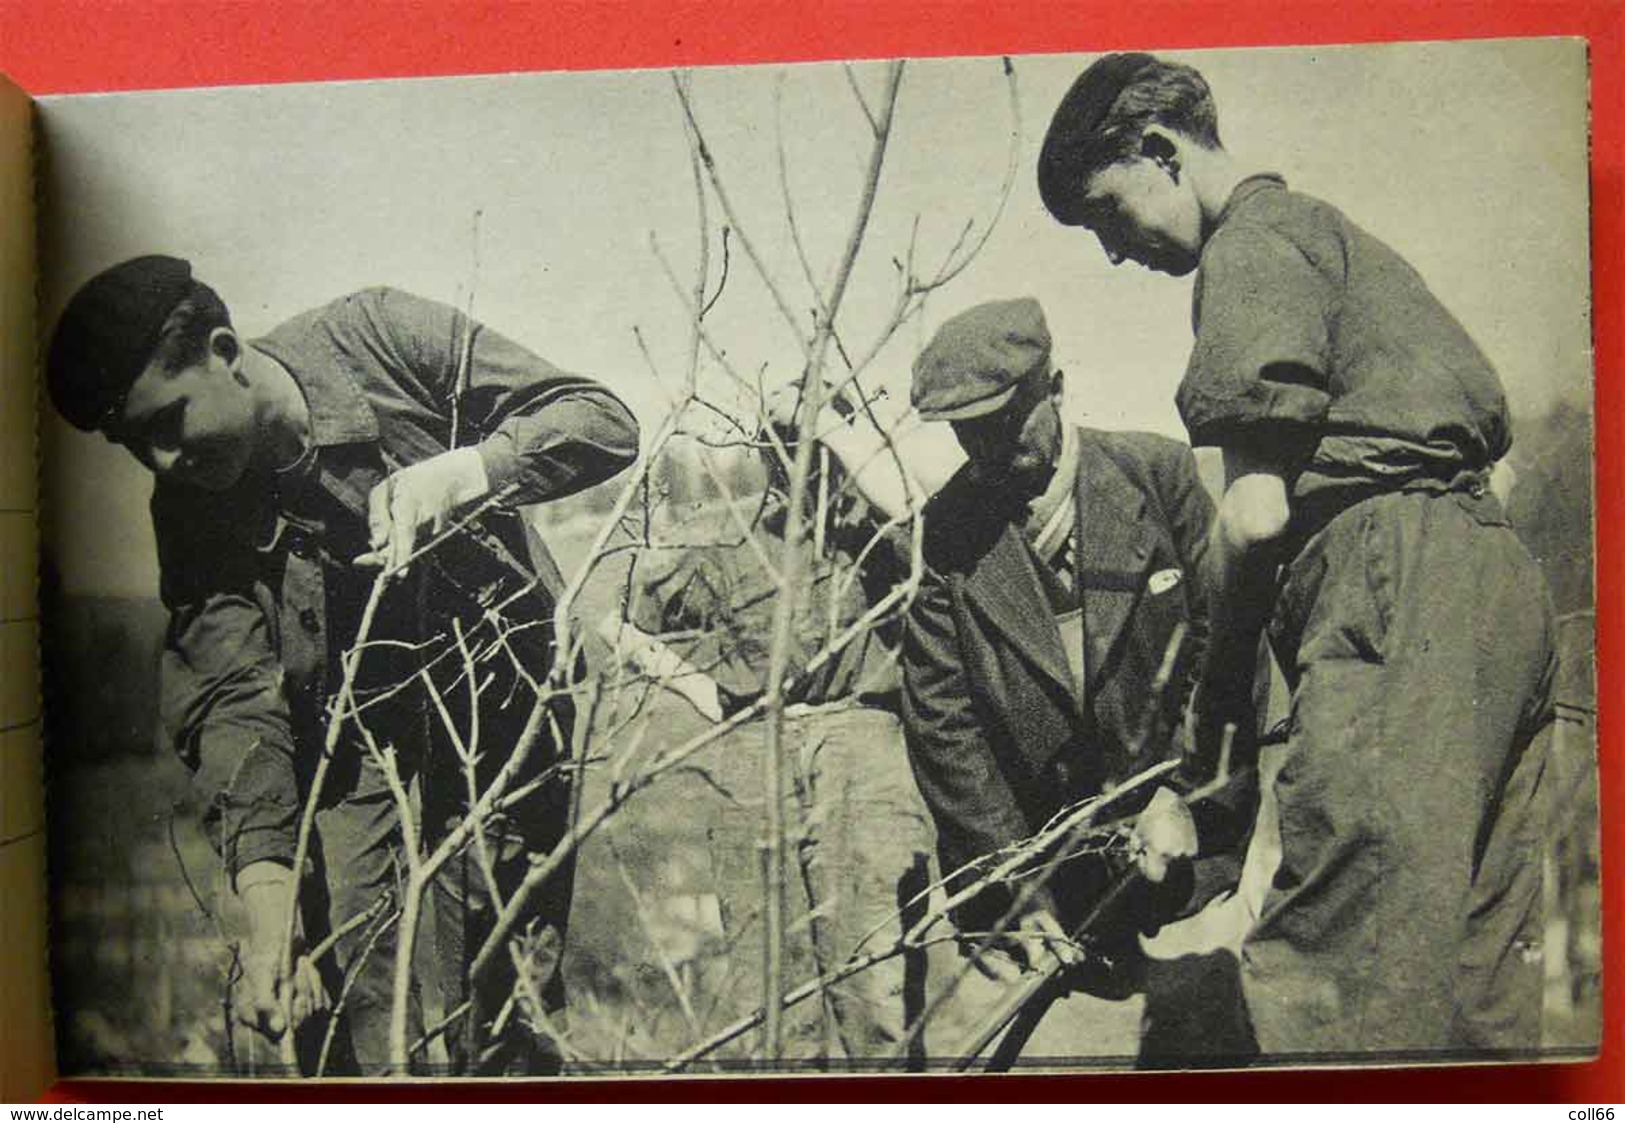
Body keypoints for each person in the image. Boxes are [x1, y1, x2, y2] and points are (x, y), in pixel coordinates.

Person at [1038, 53, 1558, 1059]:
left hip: (1390, 583)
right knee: (1475, 991)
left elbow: (1255, 516)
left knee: (1338, 982)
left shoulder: (1250, 245)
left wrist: (1214, 715)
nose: (1113, 251)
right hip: (1493, 584)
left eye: (1106, 214)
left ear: (1159, 152)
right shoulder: (1329, 235)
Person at [46, 257, 640, 1074]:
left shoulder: (383, 336)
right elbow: (230, 695)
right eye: (132, 444)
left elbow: (601, 419)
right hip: (348, 739)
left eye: (168, 422)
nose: (162, 463)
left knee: (501, 1007)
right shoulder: (189, 504)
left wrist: (467, 473)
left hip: (500, 707)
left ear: (224, 349)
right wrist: (266, 898)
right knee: (349, 1007)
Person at [900, 297, 1218, 1055]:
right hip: (1044, 879)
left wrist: (1188, 789)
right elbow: (944, 722)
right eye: (964, 431)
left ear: (1057, 388)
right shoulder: (945, 531)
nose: (983, 450)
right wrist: (1010, 880)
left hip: (1189, 849)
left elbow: (1221, 643)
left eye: (1003, 424)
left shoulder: (1157, 475)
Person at [622, 385, 942, 1065]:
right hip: (754, 750)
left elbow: (923, 513)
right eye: (783, 437)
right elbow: (622, 625)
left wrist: (832, 426)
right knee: (767, 994)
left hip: (860, 737)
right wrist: (707, 694)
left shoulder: (876, 525)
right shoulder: (733, 533)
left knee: (875, 987)